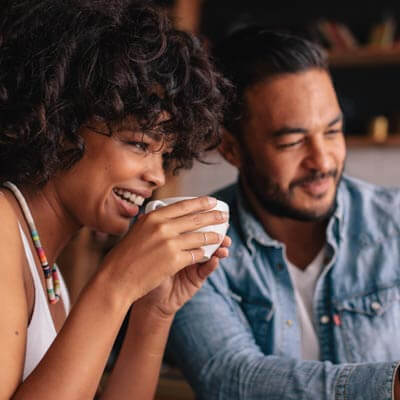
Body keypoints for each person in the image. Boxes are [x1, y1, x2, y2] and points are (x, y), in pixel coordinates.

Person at [0, 1, 232, 398]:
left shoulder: (51, 275)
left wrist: (153, 313)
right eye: (139, 144)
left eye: (165, 154)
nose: (157, 176)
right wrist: (116, 283)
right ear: (59, 123)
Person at [167, 27, 400, 399]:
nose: (322, 161)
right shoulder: (194, 245)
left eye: (333, 131)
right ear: (231, 149)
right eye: (292, 142)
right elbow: (229, 378)